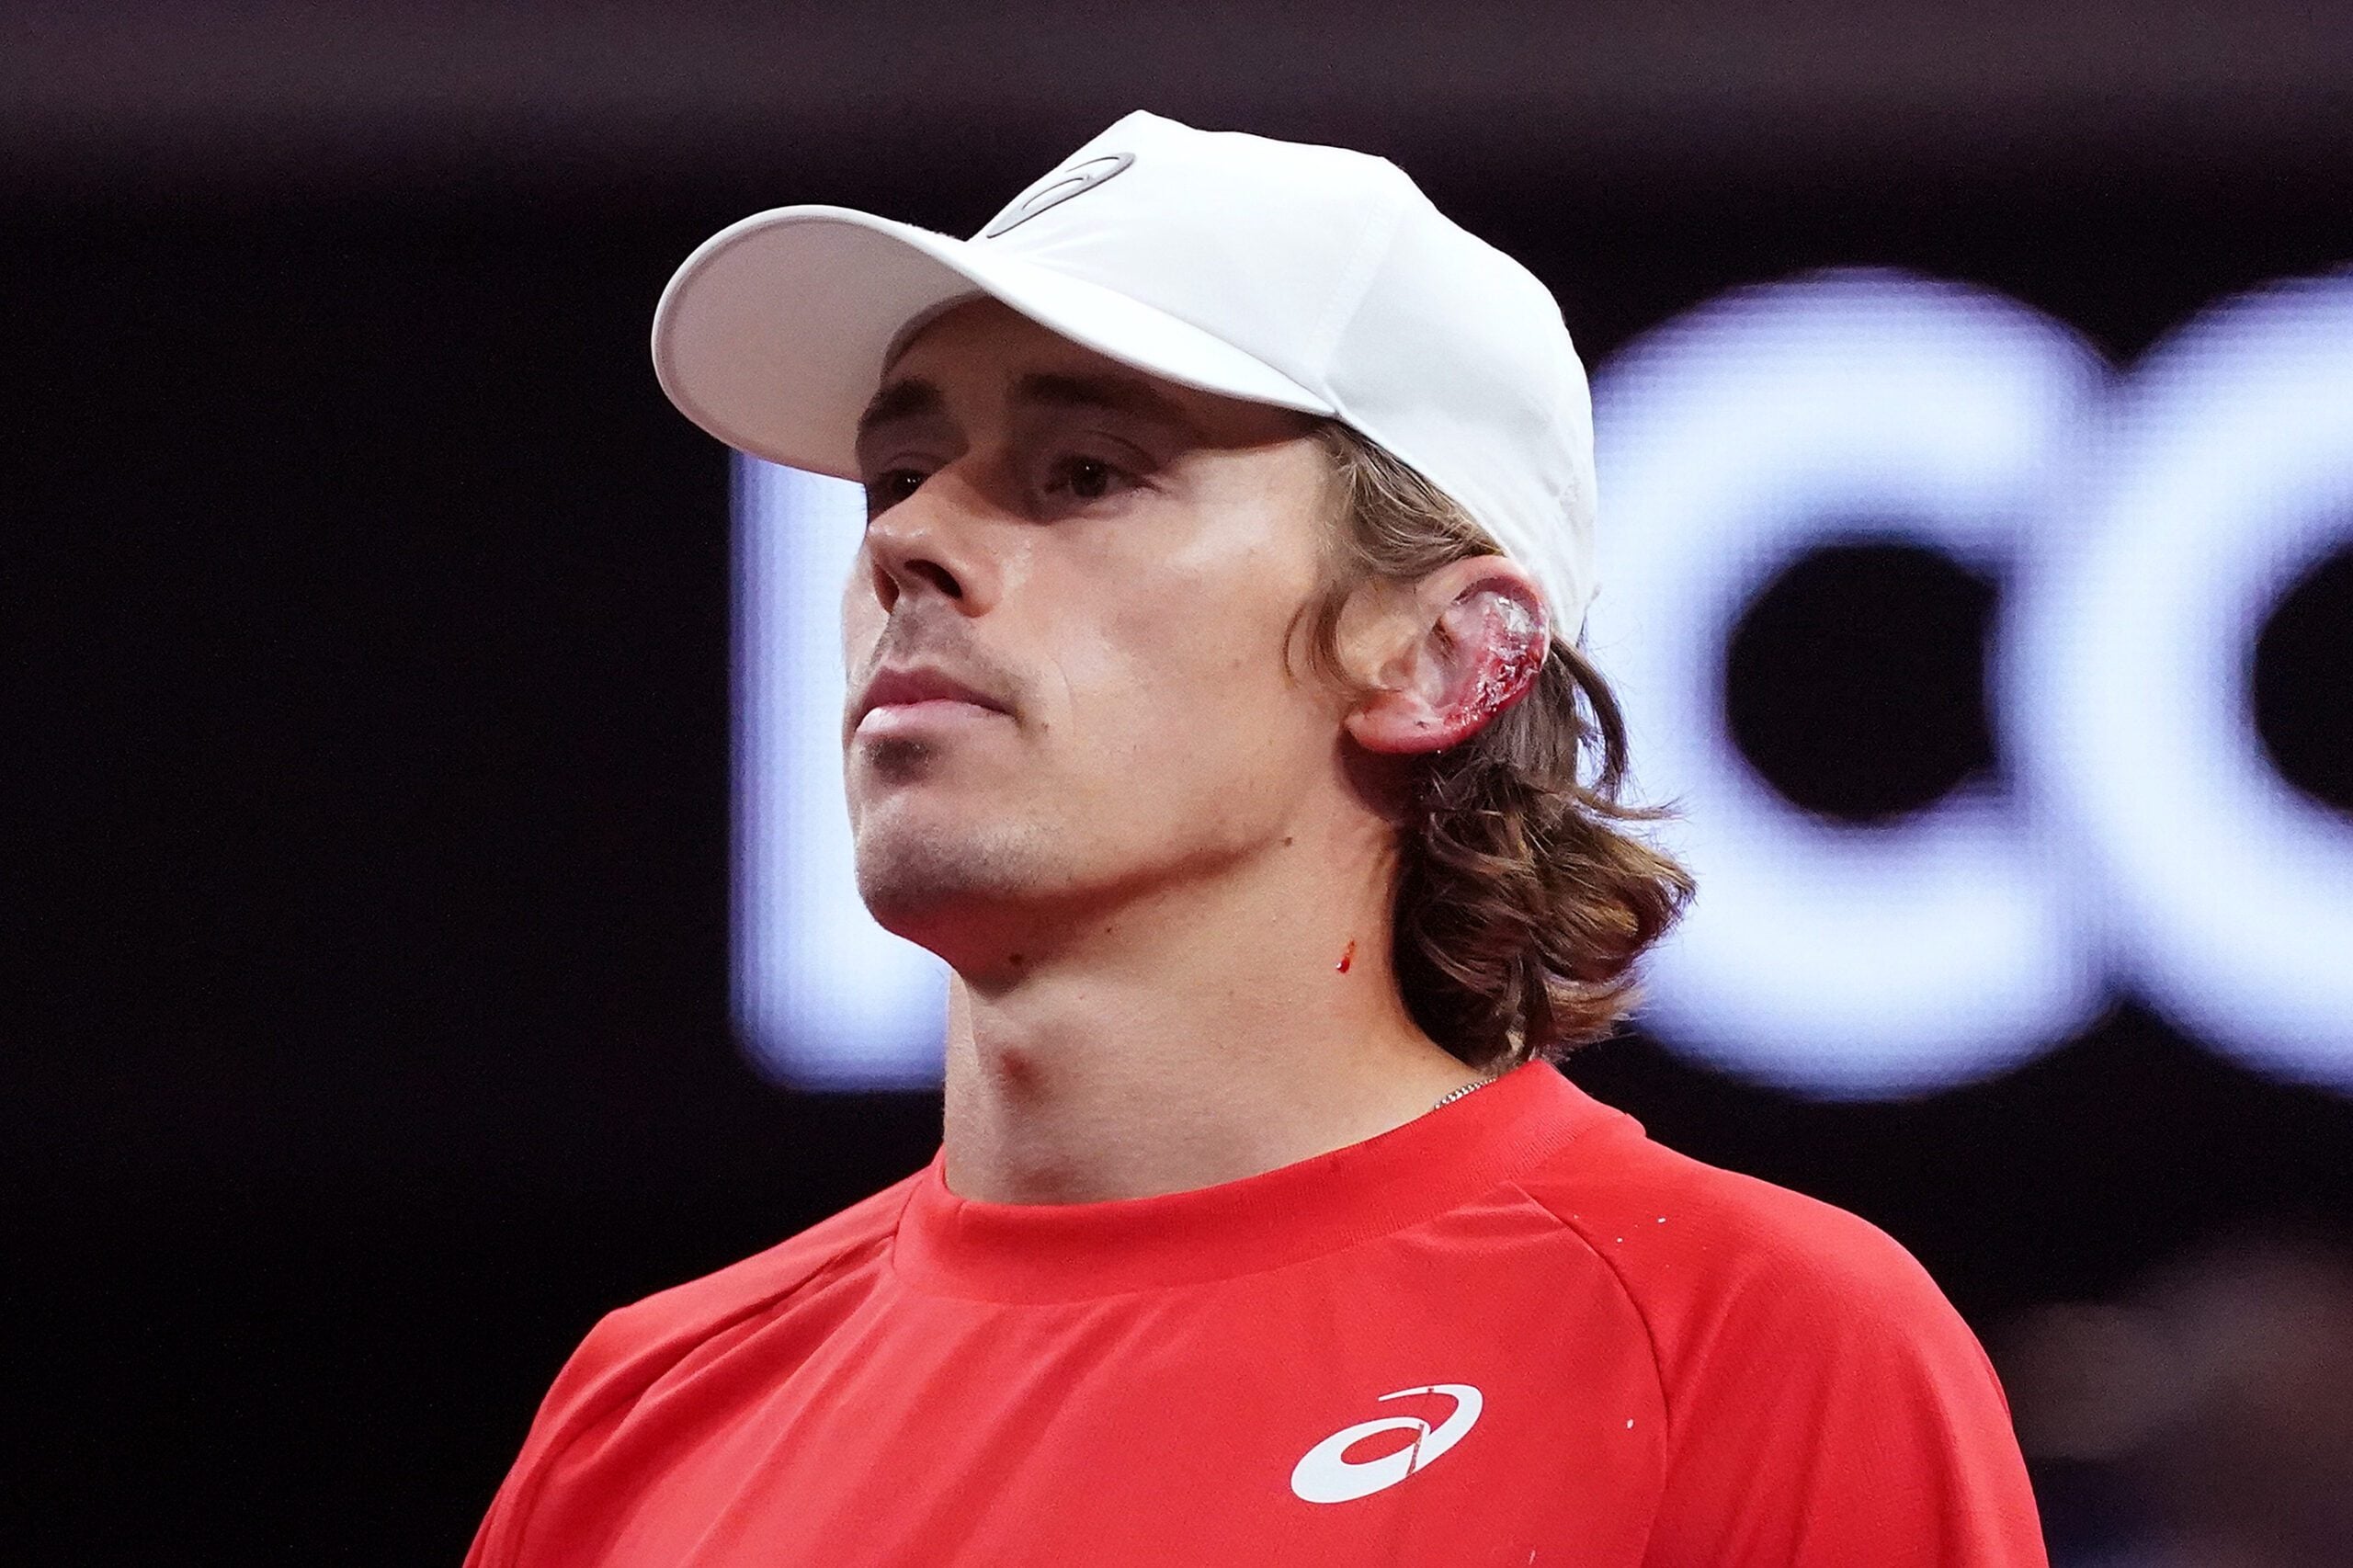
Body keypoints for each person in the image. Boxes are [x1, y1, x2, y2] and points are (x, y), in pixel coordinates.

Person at [465, 111, 2048, 1566]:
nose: (904, 540)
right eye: (897, 467)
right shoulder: (642, 1416)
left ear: (1440, 657)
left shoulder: (1748, 1347)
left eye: (1085, 472)